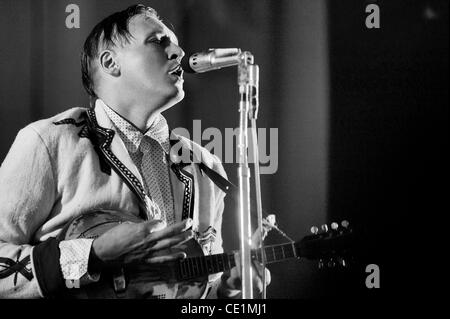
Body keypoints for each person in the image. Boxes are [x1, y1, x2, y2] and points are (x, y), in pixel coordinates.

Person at [0, 4, 269, 298]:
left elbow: (196, 291)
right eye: (157, 40)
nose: (178, 52)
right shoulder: (50, 142)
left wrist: (227, 291)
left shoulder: (205, 166)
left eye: (177, 44)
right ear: (110, 62)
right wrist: (93, 254)